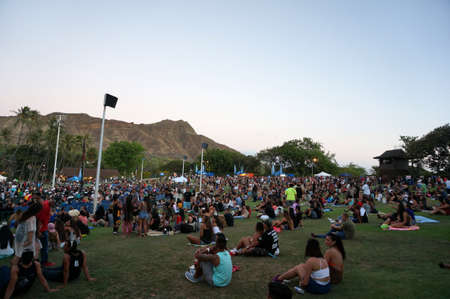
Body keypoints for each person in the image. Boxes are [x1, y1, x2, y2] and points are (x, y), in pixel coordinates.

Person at [36, 193, 55, 267]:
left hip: (43, 227)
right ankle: (44, 262)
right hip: (42, 229)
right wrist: (38, 231)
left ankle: (38, 260)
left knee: (39, 246)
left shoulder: (47, 203)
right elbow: (40, 221)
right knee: (44, 247)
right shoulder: (45, 207)